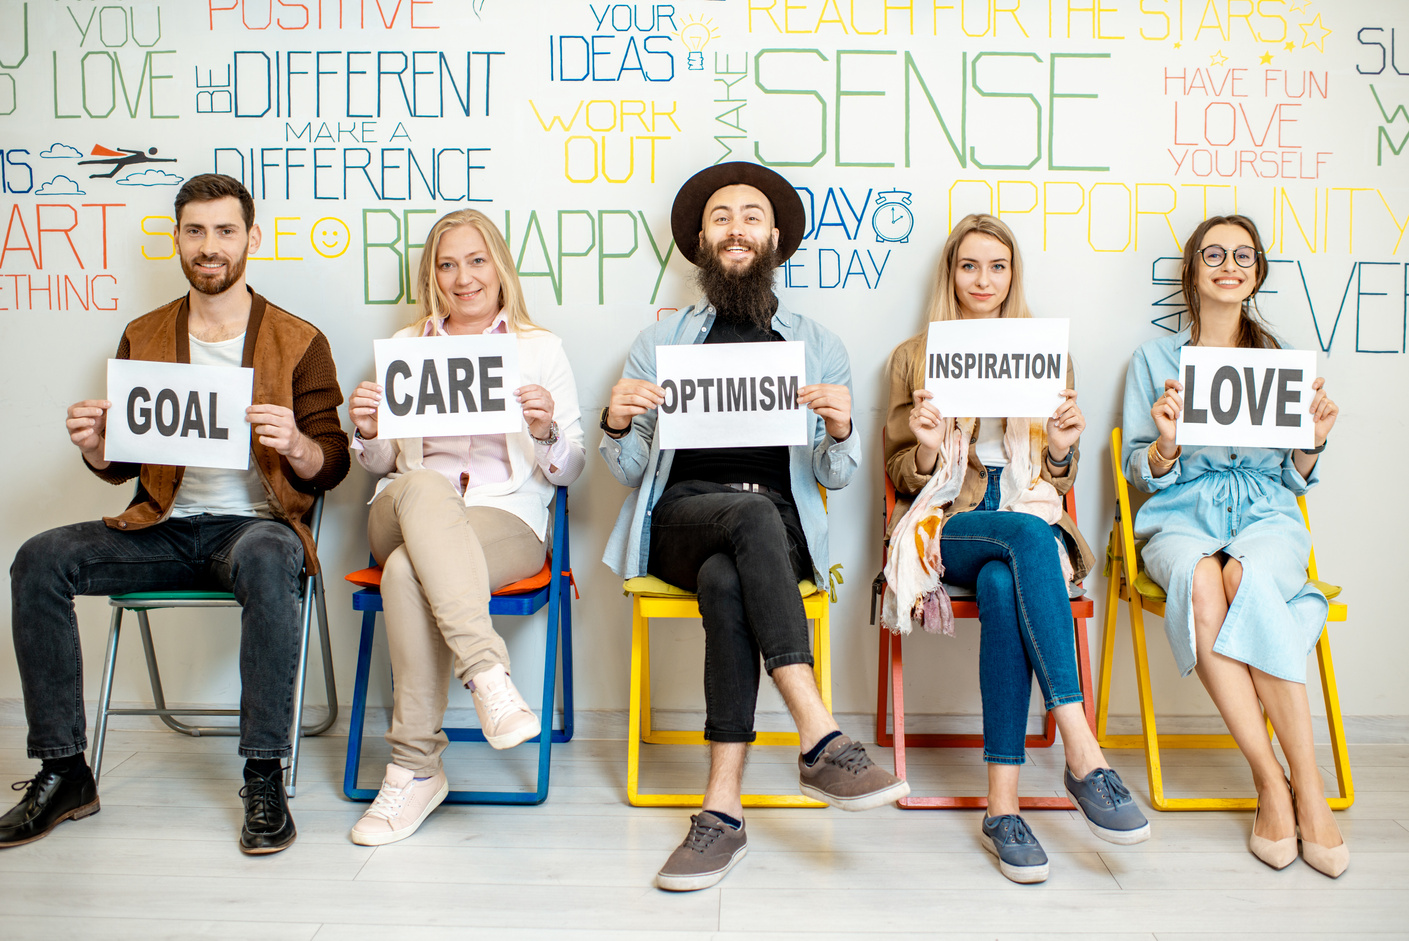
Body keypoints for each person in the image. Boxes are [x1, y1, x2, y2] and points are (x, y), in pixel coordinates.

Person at [3, 174, 349, 854]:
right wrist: (100, 449)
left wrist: (298, 445)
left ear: (252, 238)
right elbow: (129, 461)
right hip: (162, 526)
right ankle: (65, 769)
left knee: (273, 551)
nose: (209, 246)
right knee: (38, 558)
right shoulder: (145, 332)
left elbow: (332, 461)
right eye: (196, 231)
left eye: (225, 231)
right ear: (177, 241)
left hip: (253, 528)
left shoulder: (298, 339)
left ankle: (262, 774)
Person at [601, 161, 909, 892]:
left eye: (749, 216)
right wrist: (617, 420)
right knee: (737, 521)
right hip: (681, 517)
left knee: (728, 573)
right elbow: (626, 468)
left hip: (775, 527)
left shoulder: (815, 343)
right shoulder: (663, 340)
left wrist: (839, 429)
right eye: (720, 217)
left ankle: (721, 814)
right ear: (701, 242)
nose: (735, 227)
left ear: (773, 237)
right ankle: (819, 733)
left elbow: (833, 477)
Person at [882, 213, 1150, 884]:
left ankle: (1002, 806)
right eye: (968, 265)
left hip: (1025, 514)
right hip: (949, 521)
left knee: (1008, 580)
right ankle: (1080, 744)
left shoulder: (1046, 354)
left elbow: (1057, 477)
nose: (983, 279)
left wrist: (1061, 448)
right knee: (1026, 537)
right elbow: (899, 477)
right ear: (951, 274)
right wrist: (921, 440)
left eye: (996, 266)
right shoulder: (915, 356)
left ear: (1012, 275)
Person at [345, 209, 584, 846]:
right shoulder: (403, 350)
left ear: (499, 268)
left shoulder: (539, 349)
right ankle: (486, 674)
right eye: (447, 264)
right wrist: (366, 433)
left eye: (476, 260)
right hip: (400, 509)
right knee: (422, 485)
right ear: (432, 276)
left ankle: (413, 769)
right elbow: (378, 465)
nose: (463, 276)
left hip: (504, 517)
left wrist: (546, 431)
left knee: (406, 573)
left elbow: (571, 470)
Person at [1121, 214, 1345, 877]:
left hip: (1264, 510)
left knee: (1243, 576)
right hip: (1179, 507)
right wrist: (1164, 442)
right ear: (1191, 269)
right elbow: (1139, 468)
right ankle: (1273, 783)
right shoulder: (1152, 361)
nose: (1228, 263)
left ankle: (1306, 787)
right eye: (1212, 253)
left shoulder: (1277, 362)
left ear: (1256, 273)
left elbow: (1290, 476)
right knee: (1200, 578)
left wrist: (1308, 443)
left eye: (1241, 255)